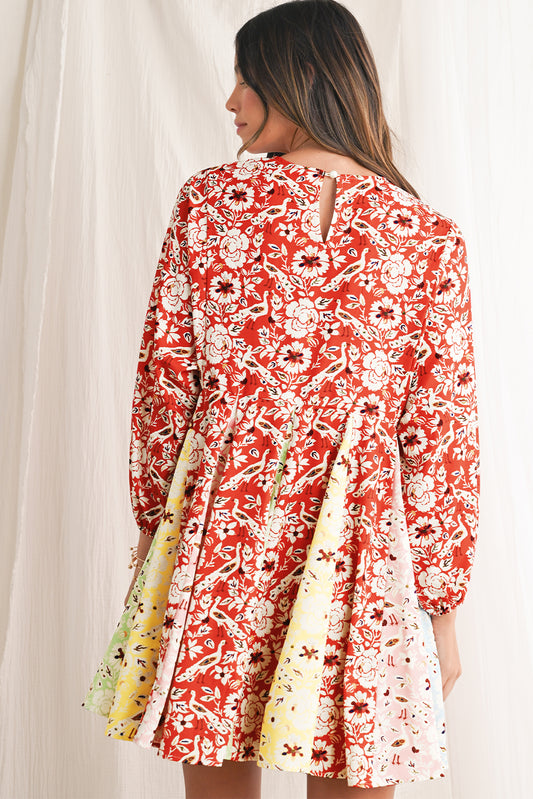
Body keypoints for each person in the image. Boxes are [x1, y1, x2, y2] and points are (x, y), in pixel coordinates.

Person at [82, 1, 480, 797]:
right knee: (352, 754)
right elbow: (439, 436)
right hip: (360, 543)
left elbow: (166, 388)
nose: (230, 99)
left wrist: (157, 534)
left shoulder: (209, 204)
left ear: (298, 79)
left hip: (224, 525)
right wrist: (438, 607)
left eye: (247, 79)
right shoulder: (427, 236)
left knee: (216, 751)